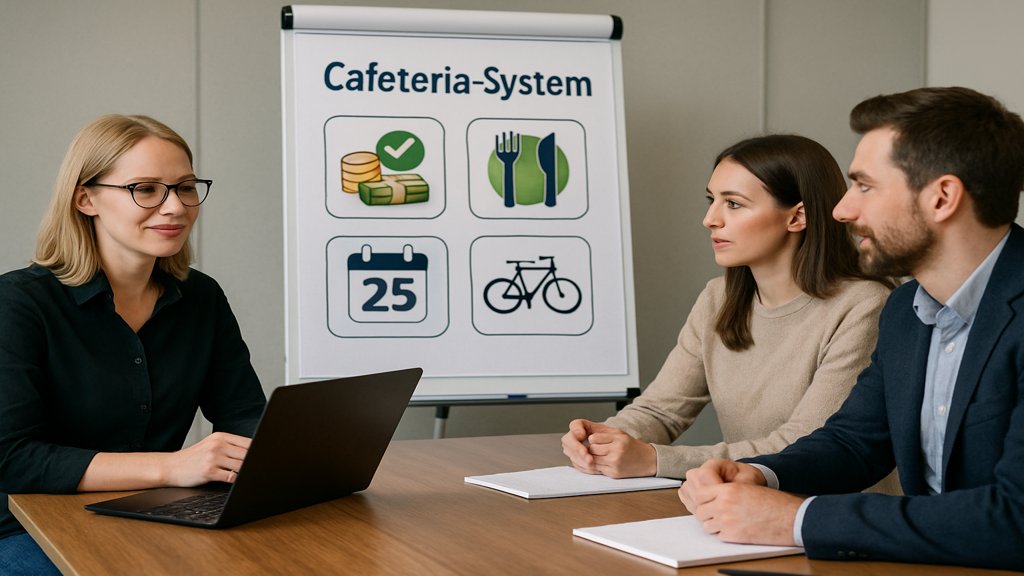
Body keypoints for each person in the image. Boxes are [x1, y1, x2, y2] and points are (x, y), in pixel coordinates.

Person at [679, 86, 1024, 571]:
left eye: (864, 186)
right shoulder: (907, 308)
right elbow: (855, 442)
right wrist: (758, 475)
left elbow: (1015, 519)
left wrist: (798, 519)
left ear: (942, 197)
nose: (842, 210)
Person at [0, 115, 267, 574]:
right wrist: (172, 468)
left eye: (185, 187)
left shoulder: (201, 297)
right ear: (86, 198)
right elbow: (12, 459)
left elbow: (244, 413)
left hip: (154, 513)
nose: (175, 207)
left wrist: (286, 459)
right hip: (25, 525)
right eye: (146, 189)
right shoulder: (18, 303)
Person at [562, 134, 896, 481]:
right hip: (742, 509)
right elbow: (661, 410)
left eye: (733, 204)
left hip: (832, 518)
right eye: (712, 200)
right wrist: (601, 440)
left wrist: (655, 460)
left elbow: (806, 443)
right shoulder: (717, 298)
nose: (710, 219)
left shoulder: (865, 305)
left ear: (797, 217)